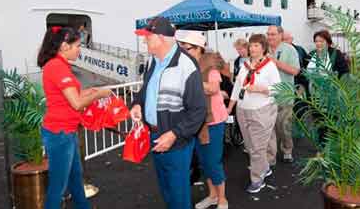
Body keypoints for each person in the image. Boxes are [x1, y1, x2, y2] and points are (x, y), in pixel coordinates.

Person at [130, 17, 206, 209]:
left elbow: (198, 111)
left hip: (176, 142)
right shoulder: (152, 61)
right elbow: (145, 90)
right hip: (155, 135)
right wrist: (137, 104)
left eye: (147, 37)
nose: (144, 41)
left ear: (161, 38)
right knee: (166, 189)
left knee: (178, 195)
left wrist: (174, 135)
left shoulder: (186, 66)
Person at [37, 26, 112, 209]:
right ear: (64, 46)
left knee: (75, 180)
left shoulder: (59, 65)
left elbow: (70, 94)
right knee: (58, 187)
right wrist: (99, 94)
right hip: (60, 133)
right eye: (77, 45)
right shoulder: (57, 67)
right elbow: (77, 103)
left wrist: (89, 91)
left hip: (65, 132)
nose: (80, 49)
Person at [176, 31, 229, 209]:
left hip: (212, 120)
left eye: (187, 47)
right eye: (181, 47)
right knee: (204, 162)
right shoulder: (187, 65)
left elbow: (213, 88)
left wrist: (190, 82)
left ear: (199, 49)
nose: (183, 50)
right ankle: (212, 195)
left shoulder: (209, 65)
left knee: (213, 161)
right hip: (197, 121)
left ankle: (223, 199)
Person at [227, 34, 281, 193]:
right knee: (250, 145)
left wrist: (260, 89)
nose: (252, 48)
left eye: (256, 45)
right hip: (243, 110)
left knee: (257, 148)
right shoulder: (245, 66)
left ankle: (257, 179)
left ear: (263, 48)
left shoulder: (270, 66)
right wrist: (230, 108)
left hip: (262, 110)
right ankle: (264, 167)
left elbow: (278, 89)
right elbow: (237, 87)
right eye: (251, 45)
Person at [266, 26, 300, 164]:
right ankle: (271, 156)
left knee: (284, 126)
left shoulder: (289, 49)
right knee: (269, 128)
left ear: (280, 35)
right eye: (268, 34)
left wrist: (276, 63)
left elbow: (295, 71)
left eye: (273, 34)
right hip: (267, 95)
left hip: (284, 95)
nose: (270, 37)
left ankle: (287, 149)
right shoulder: (264, 49)